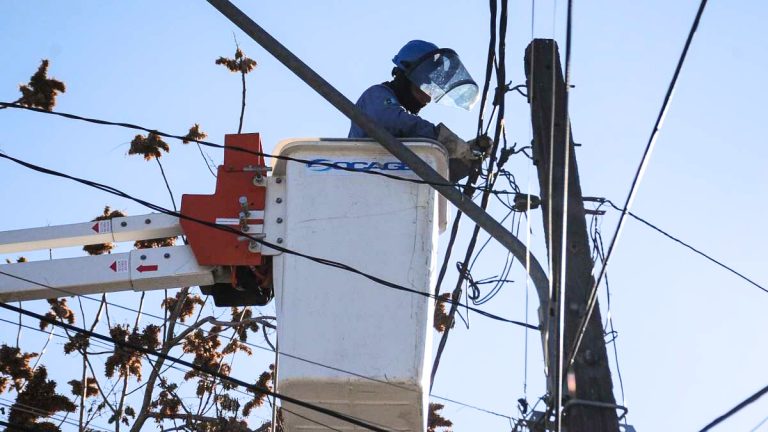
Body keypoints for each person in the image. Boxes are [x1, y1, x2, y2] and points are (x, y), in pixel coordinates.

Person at [348, 40, 490, 181]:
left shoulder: (411, 136)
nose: (427, 98)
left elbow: (440, 176)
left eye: (432, 90)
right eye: (424, 86)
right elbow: (391, 121)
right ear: (406, 75)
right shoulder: (377, 95)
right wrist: (443, 140)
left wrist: (466, 158)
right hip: (362, 182)